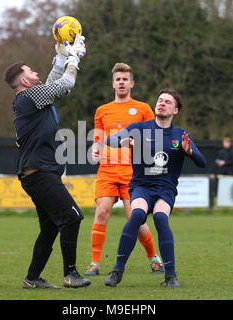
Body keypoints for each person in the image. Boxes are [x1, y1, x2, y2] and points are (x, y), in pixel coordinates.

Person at [3, 36, 91, 289]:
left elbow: (52, 84)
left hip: (37, 174)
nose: (36, 71)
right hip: (40, 174)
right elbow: (64, 84)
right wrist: (73, 59)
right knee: (72, 218)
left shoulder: (31, 97)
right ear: (24, 81)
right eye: (31, 70)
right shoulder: (29, 97)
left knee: (51, 227)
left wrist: (61, 56)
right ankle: (71, 275)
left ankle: (32, 279)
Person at [103, 88, 207, 288]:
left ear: (175, 110)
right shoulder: (139, 128)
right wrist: (123, 142)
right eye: (160, 100)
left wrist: (190, 152)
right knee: (136, 216)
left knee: (160, 217)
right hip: (141, 186)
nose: (162, 103)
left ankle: (171, 276)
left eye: (168, 102)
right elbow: (110, 140)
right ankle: (117, 271)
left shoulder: (181, 135)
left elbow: (202, 162)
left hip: (165, 189)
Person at [85, 63, 163, 276]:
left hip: (132, 172)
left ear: (132, 83)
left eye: (125, 79)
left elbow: (154, 137)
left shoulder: (143, 109)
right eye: (118, 79)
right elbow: (99, 139)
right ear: (113, 84)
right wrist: (95, 149)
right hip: (107, 170)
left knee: (135, 218)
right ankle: (94, 263)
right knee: (101, 212)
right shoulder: (102, 110)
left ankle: (154, 258)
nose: (121, 82)